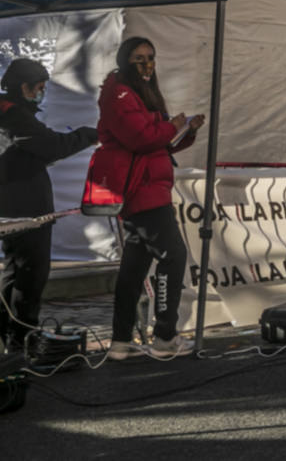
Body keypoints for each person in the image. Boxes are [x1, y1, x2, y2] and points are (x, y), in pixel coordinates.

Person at [87, 37, 203, 360]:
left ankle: (121, 341)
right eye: (139, 57)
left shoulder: (136, 92)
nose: (147, 62)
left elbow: (156, 144)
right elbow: (141, 138)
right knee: (173, 256)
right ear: (125, 60)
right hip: (142, 191)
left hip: (149, 186)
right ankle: (165, 336)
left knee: (134, 267)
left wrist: (186, 131)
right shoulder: (119, 93)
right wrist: (171, 125)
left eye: (151, 56)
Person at [0, 59, 97, 354]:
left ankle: (11, 336)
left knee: (15, 272)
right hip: (24, 210)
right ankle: (22, 338)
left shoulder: (12, 112)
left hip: (16, 206)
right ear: (23, 87)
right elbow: (52, 146)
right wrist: (90, 134)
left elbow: (32, 152)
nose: (41, 94)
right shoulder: (13, 114)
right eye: (38, 88)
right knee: (30, 275)